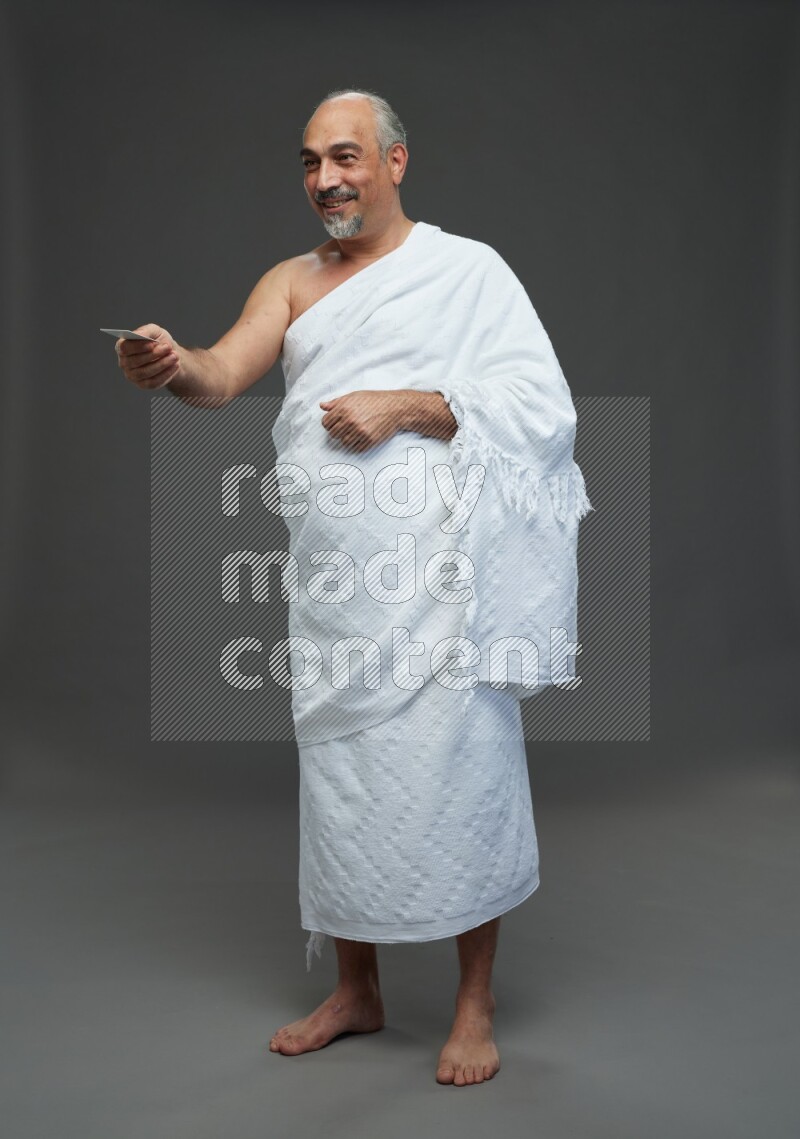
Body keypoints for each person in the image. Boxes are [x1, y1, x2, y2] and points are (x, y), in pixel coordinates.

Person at [116, 87, 592, 1087]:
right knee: (345, 781)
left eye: (345, 156)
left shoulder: (467, 271)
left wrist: (409, 406)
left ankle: (473, 1003)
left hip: (444, 584)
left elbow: (540, 407)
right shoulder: (290, 281)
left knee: (464, 774)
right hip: (338, 584)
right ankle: (356, 989)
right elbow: (220, 374)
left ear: (394, 162)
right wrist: (168, 363)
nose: (325, 179)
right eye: (309, 161)